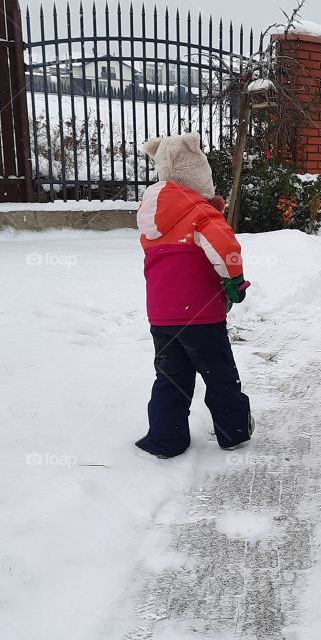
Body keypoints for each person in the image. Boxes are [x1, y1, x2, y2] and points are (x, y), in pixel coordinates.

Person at [134, 132, 253, 459]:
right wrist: (235, 283)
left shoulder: (151, 219)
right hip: (201, 316)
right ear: (198, 173)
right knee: (220, 377)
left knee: (170, 377)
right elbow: (225, 250)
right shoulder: (201, 213)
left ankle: (165, 439)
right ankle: (234, 432)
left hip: (161, 317)